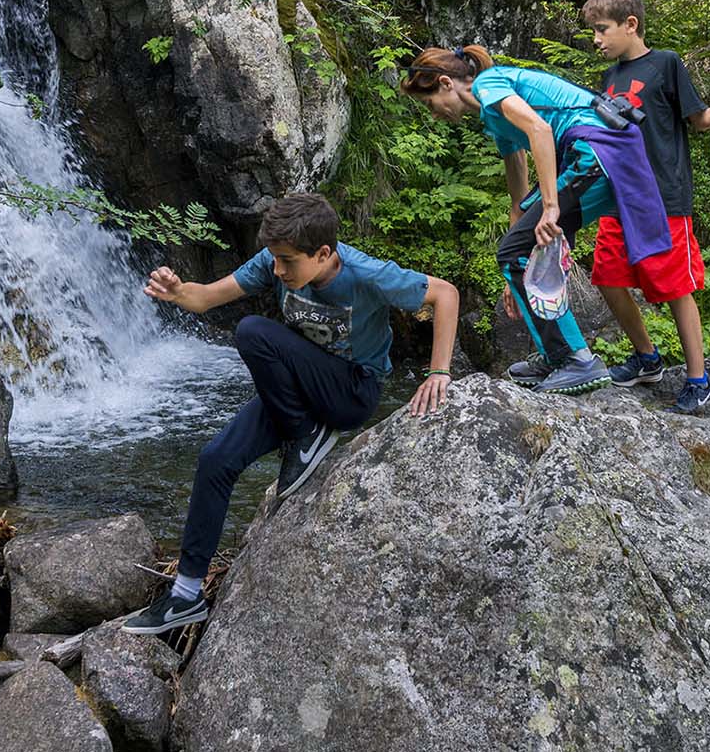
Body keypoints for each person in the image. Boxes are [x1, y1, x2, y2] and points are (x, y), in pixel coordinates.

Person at [122, 192, 458, 635]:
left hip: (351, 391)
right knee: (215, 460)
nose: (277, 270)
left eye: (286, 262)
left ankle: (307, 436)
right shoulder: (274, 261)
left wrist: (438, 372)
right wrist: (178, 290)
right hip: (300, 388)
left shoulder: (366, 274)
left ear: (323, 254)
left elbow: (445, 294)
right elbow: (206, 299)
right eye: (274, 260)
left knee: (253, 331)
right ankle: (185, 595)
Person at [401, 44, 670, 396]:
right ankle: (557, 354)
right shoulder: (491, 116)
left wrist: (551, 207)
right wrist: (515, 276)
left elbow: (540, 131)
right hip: (598, 156)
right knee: (518, 251)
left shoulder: (489, 85)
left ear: (446, 83)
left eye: (429, 103)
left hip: (596, 154)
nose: (434, 114)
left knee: (516, 248)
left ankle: (577, 359)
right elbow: (518, 188)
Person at [583, 0, 710, 413]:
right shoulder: (609, 76)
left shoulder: (666, 64)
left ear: (630, 24)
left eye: (601, 30)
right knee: (608, 278)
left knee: (675, 286)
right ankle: (646, 359)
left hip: (662, 199)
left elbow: (700, 118)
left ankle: (699, 378)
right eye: (593, 32)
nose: (596, 40)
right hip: (618, 199)